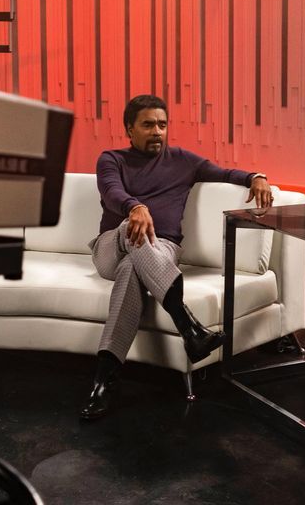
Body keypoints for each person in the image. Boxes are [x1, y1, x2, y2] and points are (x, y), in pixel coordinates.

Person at [80, 94, 273, 420]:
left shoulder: (184, 161)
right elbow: (113, 192)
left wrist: (256, 176)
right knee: (132, 231)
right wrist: (136, 207)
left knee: (132, 272)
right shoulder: (111, 159)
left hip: (162, 250)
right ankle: (189, 329)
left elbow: (225, 174)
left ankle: (102, 384)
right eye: (148, 124)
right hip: (111, 246)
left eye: (162, 124)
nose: (157, 131)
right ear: (130, 129)